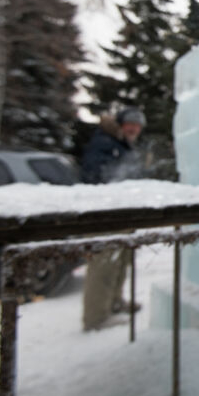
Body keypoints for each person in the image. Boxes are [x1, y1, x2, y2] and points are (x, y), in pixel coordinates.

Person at [80, 107, 146, 331]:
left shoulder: (123, 145)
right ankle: (96, 318)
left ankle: (115, 302)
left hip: (122, 213)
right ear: (119, 124)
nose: (134, 129)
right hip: (103, 214)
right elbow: (94, 175)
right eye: (130, 124)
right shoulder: (105, 143)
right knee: (103, 265)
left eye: (137, 125)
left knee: (121, 260)